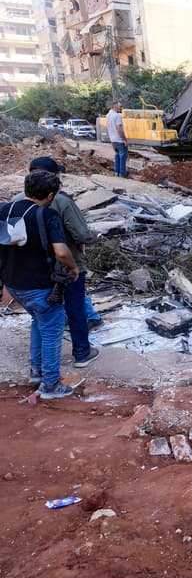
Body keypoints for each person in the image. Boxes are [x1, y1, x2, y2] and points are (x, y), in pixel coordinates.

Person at [13, 156, 102, 370]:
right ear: (54, 178)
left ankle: (39, 363)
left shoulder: (16, 201)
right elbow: (81, 234)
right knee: (75, 308)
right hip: (66, 266)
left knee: (42, 317)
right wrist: (94, 236)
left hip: (33, 269)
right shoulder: (61, 201)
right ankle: (81, 352)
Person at [0, 171, 81, 398]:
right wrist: (74, 269)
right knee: (52, 331)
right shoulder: (47, 215)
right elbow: (62, 252)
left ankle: (36, 371)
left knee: (38, 322)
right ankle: (51, 384)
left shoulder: (4, 210)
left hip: (13, 283)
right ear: (50, 194)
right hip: (40, 285)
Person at [106, 100, 129, 178]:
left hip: (113, 140)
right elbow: (119, 129)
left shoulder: (108, 115)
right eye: (120, 106)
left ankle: (117, 172)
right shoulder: (117, 116)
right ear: (115, 106)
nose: (121, 108)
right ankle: (122, 173)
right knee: (123, 156)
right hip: (119, 140)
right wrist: (125, 140)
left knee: (117, 156)